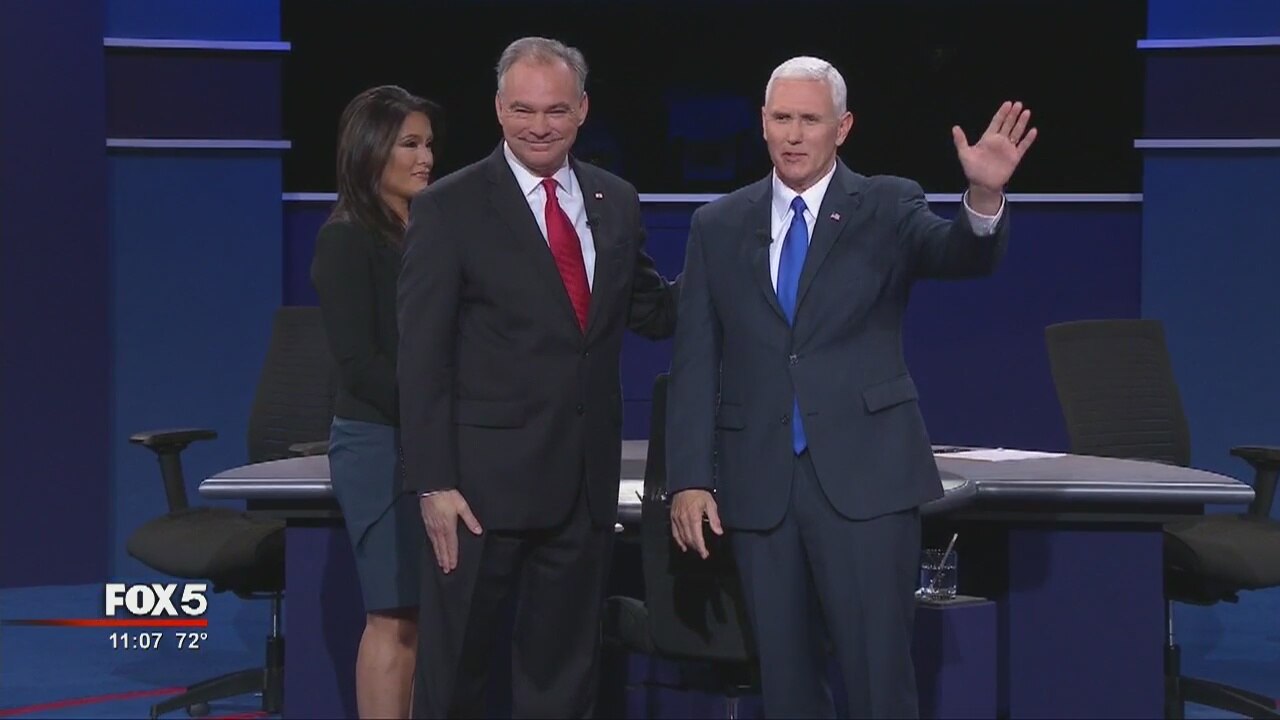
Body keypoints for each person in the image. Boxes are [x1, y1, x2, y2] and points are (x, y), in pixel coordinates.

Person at [665, 56, 1036, 718]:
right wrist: (690, 478)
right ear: (762, 122)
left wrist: (982, 199)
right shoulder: (717, 224)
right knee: (786, 683)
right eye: (782, 118)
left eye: (810, 120)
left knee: (877, 677)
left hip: (867, 482)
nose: (794, 135)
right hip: (761, 486)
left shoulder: (887, 204)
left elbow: (958, 254)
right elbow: (696, 359)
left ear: (843, 128)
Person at [397, 37, 678, 718]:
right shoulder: (450, 207)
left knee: (564, 677)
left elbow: (652, 310)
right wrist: (433, 482)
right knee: (455, 675)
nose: (539, 126)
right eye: (523, 109)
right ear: (499, 109)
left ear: (582, 110)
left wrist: (745, 256)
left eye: (555, 110)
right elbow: (422, 357)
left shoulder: (615, 199)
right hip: (477, 492)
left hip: (581, 486)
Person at [311, 84, 442, 720]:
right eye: (410, 144)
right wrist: (433, 417)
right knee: (394, 615)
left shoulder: (432, 233)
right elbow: (360, 365)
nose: (426, 159)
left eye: (429, 144)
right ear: (370, 151)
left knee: (425, 617)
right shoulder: (346, 240)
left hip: (430, 442)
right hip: (380, 444)